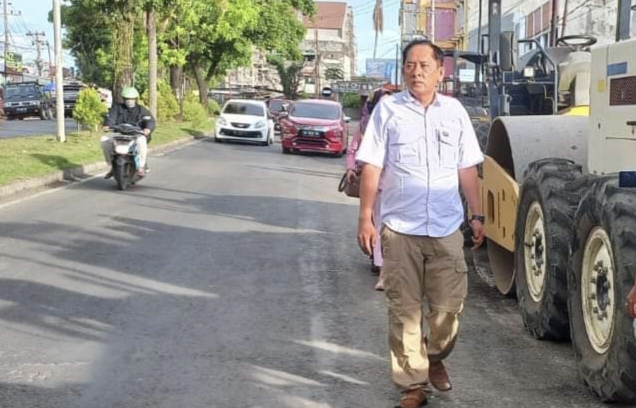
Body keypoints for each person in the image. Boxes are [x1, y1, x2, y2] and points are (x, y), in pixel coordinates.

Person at [355, 39, 485, 408]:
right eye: (410, 65)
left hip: (445, 228)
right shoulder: (388, 110)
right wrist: (365, 217)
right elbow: (372, 166)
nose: (416, 72)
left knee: (448, 310)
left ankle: (435, 355)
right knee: (404, 311)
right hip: (399, 229)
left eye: (425, 65)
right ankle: (413, 386)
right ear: (403, 70)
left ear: (440, 71)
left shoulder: (454, 112)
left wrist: (477, 214)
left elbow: (467, 168)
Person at [346, 87, 392, 291]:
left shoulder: (401, 123)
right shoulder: (366, 127)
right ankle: (382, 269)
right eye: (383, 103)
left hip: (399, 187)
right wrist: (351, 168)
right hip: (376, 186)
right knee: (380, 226)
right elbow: (353, 150)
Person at [101, 86, 156, 178]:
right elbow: (111, 118)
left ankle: (141, 167)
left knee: (142, 141)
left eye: (132, 99)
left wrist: (148, 129)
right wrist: (107, 125)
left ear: (135, 99)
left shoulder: (141, 110)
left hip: (136, 134)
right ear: (123, 99)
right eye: (127, 99)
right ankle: (112, 166)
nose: (129, 101)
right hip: (119, 133)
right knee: (104, 140)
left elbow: (150, 120)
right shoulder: (117, 108)